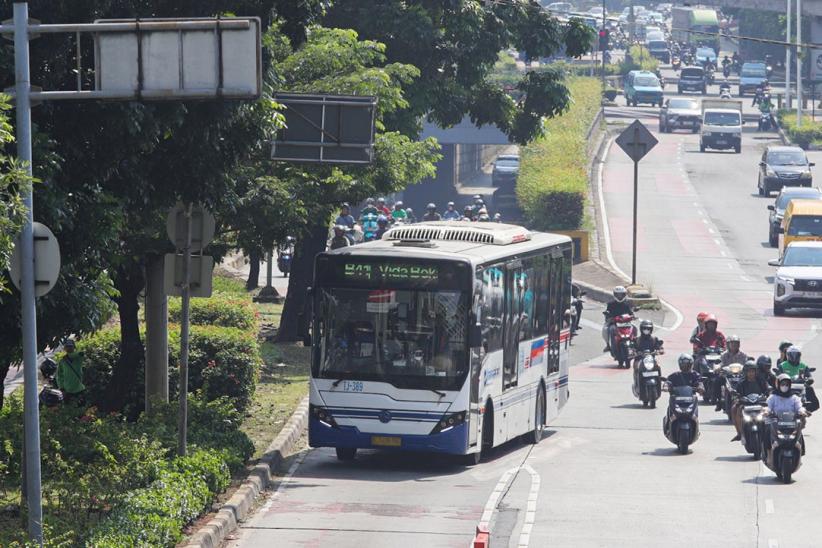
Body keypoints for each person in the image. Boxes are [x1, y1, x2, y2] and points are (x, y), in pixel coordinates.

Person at [730, 360, 771, 441]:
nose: (751, 373)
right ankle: (740, 433)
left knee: (770, 410)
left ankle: (769, 431)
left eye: (753, 371)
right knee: (735, 408)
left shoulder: (761, 381)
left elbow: (766, 390)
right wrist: (737, 396)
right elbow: (737, 393)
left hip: (759, 403)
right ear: (745, 372)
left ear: (756, 372)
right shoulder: (741, 383)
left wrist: (768, 393)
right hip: (745, 404)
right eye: (749, 371)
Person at [778, 346, 820, 412]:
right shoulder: (782, 365)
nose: (794, 357)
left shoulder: (803, 366)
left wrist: (809, 380)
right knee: (774, 391)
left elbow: (809, 376)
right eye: (792, 354)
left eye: (796, 354)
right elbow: (778, 376)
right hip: (786, 386)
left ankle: (804, 411)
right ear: (788, 355)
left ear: (799, 355)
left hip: (800, 387)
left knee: (811, 392)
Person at [602, 286, 633, 352]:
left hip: (625, 323)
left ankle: (634, 343)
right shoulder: (610, 304)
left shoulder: (627, 304)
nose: (620, 296)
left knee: (634, 328)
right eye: (618, 295)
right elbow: (607, 313)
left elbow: (631, 313)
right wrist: (608, 317)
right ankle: (608, 345)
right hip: (614, 323)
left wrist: (632, 316)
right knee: (606, 329)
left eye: (621, 294)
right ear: (615, 295)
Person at [56, 339, 85, 404]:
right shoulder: (62, 361)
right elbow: (59, 375)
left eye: (71, 346)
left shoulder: (78, 357)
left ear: (74, 347)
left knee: (81, 409)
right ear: (65, 348)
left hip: (79, 389)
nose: (69, 348)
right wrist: (61, 388)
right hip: (67, 390)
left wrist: (67, 356)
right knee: (68, 410)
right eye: (67, 346)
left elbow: (80, 353)